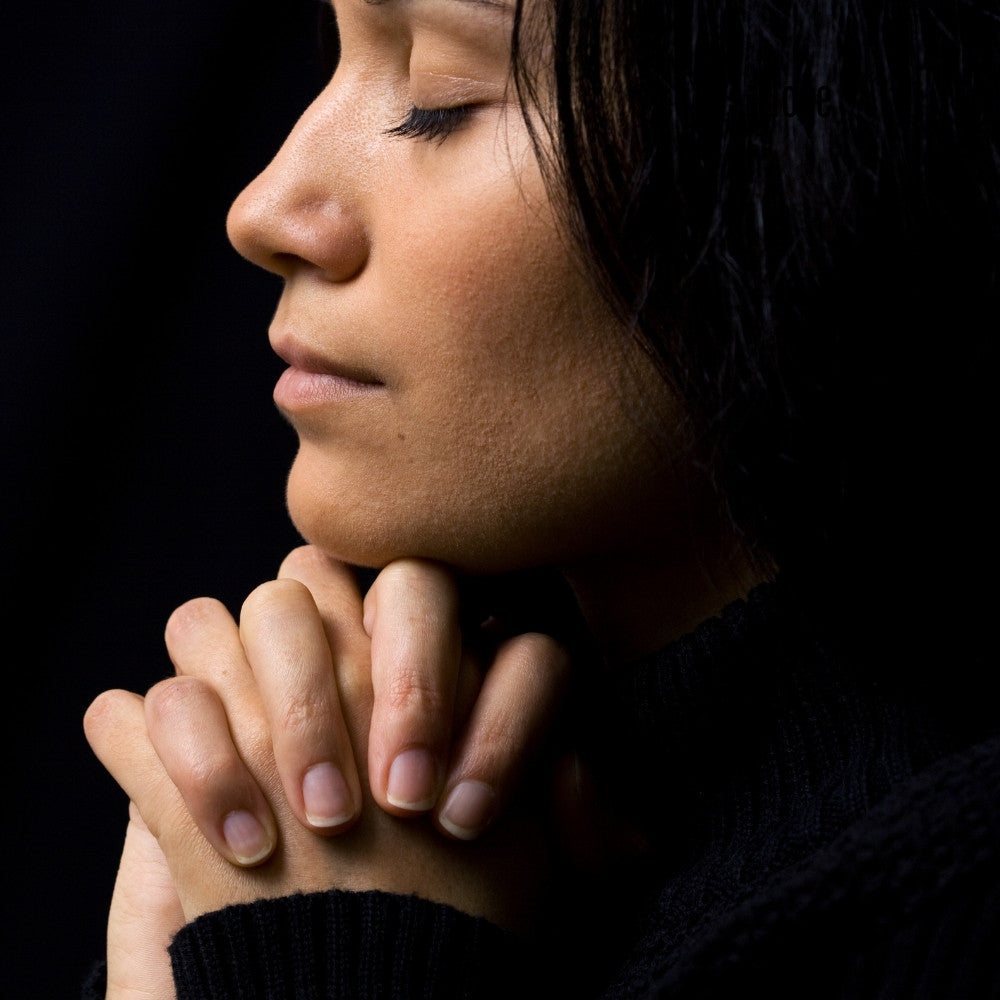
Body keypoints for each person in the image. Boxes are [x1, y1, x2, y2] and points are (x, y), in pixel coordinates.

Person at [82, 0, 1000, 997]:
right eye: (335, 59)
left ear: (822, 138)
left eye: (438, 97)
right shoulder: (392, 816)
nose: (263, 210)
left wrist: (335, 959)